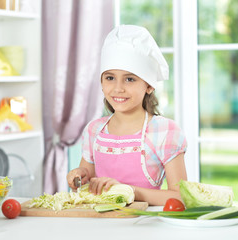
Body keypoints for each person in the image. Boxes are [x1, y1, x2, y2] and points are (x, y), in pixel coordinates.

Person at [66, 25, 187, 206]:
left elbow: (181, 198)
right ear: (101, 81)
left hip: (145, 226)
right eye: (109, 78)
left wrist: (129, 191)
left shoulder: (165, 131)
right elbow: (86, 182)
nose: (118, 88)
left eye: (130, 79)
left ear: (149, 85)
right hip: (98, 226)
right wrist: (78, 177)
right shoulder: (95, 130)